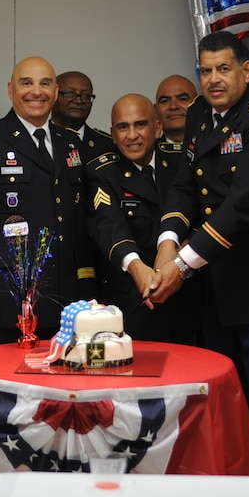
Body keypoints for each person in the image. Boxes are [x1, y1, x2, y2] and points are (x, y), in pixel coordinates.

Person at [149, 31, 249, 476]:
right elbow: (183, 187)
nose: (213, 79)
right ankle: (228, 487)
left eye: (223, 69)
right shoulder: (200, 114)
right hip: (214, 286)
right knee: (220, 401)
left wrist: (179, 265)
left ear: (246, 71)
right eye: (206, 70)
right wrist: (166, 244)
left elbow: (242, 208)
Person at [0, 56, 96, 344]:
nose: (36, 92)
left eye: (45, 84)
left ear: (55, 91)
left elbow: (77, 223)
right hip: (7, 301)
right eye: (26, 83)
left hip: (67, 301)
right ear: (10, 90)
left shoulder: (70, 143)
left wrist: (86, 287)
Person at [85, 93, 189, 343]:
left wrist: (182, 259)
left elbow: (200, 211)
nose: (132, 135)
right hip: (134, 298)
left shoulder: (180, 160)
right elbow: (109, 225)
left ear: (157, 128)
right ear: (113, 134)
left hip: (188, 293)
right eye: (123, 127)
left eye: (140, 124)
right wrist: (138, 268)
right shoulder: (101, 171)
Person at [51, 70, 115, 162]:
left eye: (85, 95)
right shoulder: (39, 139)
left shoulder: (108, 145)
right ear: (54, 96)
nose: (78, 101)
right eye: (70, 94)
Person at [154, 74, 198, 145]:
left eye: (183, 99)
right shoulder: (149, 154)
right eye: (164, 101)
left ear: (198, 105)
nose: (173, 106)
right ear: (155, 110)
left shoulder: (215, 147)